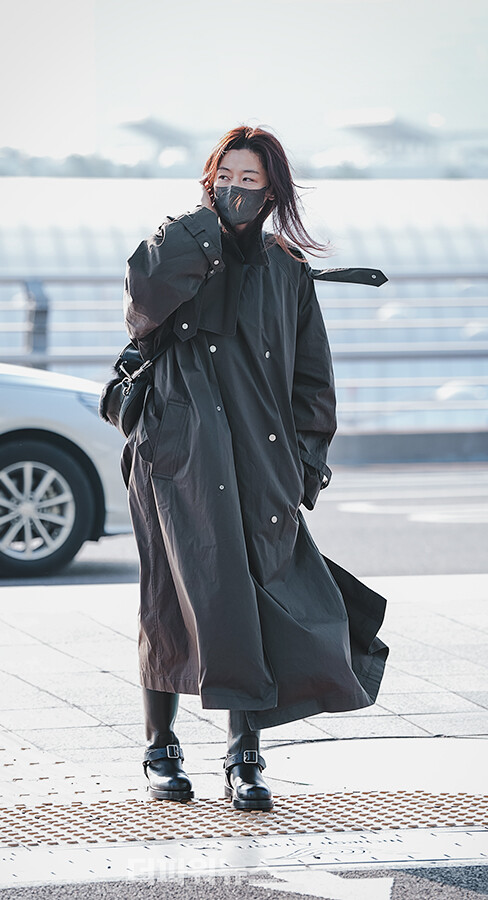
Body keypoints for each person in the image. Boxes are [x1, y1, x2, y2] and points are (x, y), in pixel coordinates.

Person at [120, 125, 389, 811]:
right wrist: (204, 230)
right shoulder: (177, 244)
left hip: (260, 461)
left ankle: (245, 755)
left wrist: (307, 463)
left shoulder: (287, 270)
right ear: (209, 180)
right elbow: (142, 302)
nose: (236, 192)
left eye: (251, 182)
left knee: (258, 602)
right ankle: (160, 749)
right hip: (177, 458)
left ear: (274, 192)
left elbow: (312, 382)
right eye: (226, 178)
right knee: (170, 600)